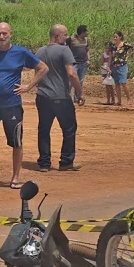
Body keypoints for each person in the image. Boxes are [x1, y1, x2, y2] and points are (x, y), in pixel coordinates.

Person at [0, 22, 48, 189]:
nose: (2, 36)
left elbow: (43, 68)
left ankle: (15, 179)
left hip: (12, 105)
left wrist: (28, 87)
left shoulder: (21, 52)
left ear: (10, 34)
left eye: (5, 33)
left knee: (16, 142)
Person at [35, 25, 84, 172]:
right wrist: (80, 92)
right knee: (69, 129)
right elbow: (72, 74)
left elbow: (36, 74)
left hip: (43, 96)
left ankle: (44, 163)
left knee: (44, 129)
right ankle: (66, 161)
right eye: (65, 35)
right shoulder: (64, 50)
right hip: (61, 97)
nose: (67, 37)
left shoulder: (39, 51)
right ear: (57, 36)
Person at [109, 30, 134, 106]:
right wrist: (109, 67)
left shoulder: (125, 44)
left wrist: (128, 56)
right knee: (117, 84)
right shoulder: (113, 46)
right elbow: (110, 57)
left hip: (122, 66)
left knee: (123, 83)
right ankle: (119, 101)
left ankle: (129, 99)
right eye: (114, 37)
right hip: (114, 66)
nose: (115, 38)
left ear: (120, 37)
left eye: (116, 37)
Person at [66, 25, 89, 102]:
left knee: (80, 81)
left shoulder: (86, 40)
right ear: (82, 32)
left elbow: (87, 50)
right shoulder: (71, 39)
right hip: (73, 63)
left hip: (83, 63)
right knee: (71, 80)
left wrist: (88, 59)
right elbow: (66, 48)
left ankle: (77, 98)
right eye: (86, 31)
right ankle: (67, 97)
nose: (87, 33)